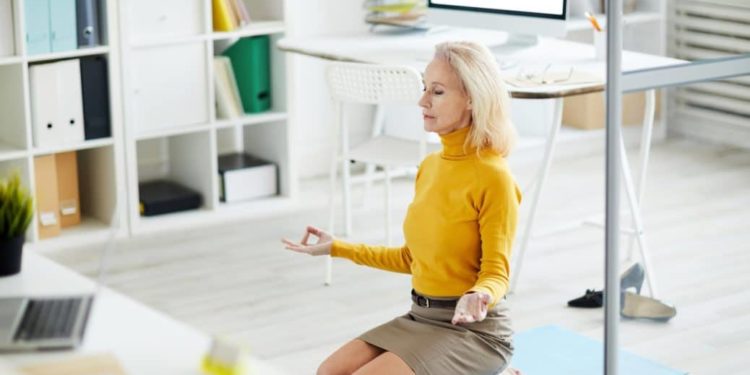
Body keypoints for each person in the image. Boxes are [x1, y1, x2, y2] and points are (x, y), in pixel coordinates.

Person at [282, 41, 522, 375]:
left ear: (472, 97)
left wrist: (480, 294)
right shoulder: (431, 166)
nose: (422, 101)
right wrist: (336, 247)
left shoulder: (494, 177)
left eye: (437, 92)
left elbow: (497, 273)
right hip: (421, 317)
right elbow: (412, 258)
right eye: (425, 88)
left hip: (475, 332)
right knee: (329, 371)